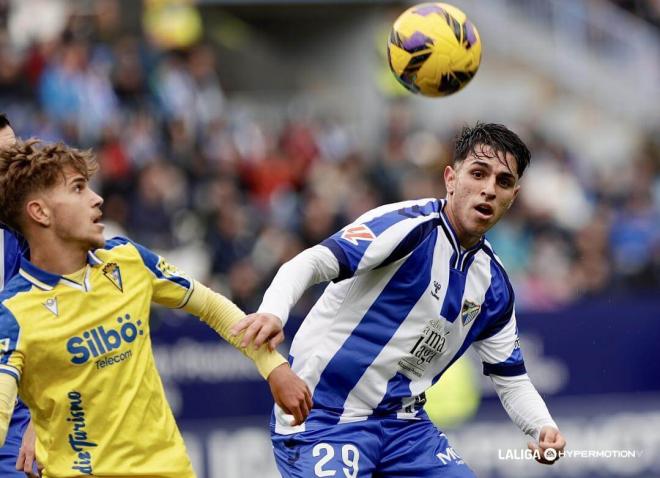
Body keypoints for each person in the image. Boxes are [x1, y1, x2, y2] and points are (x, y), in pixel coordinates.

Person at [233, 123, 566, 477]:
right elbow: (309, 262)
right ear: (451, 179)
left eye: (502, 181)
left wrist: (542, 428)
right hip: (323, 418)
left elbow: (511, 379)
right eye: (478, 174)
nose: (487, 190)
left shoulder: (494, 286)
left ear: (513, 196)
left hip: (406, 429)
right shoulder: (405, 227)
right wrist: (272, 312)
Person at [0, 138, 312, 477]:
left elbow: (209, 305)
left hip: (171, 470)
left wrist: (274, 367)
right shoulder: (15, 312)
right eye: (78, 189)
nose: (96, 198)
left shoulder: (127, 259)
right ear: (40, 212)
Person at [0, 115, 39, 477]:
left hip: (17, 414)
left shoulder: (29, 234)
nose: (13, 167)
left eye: (15, 153)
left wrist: (39, 423)